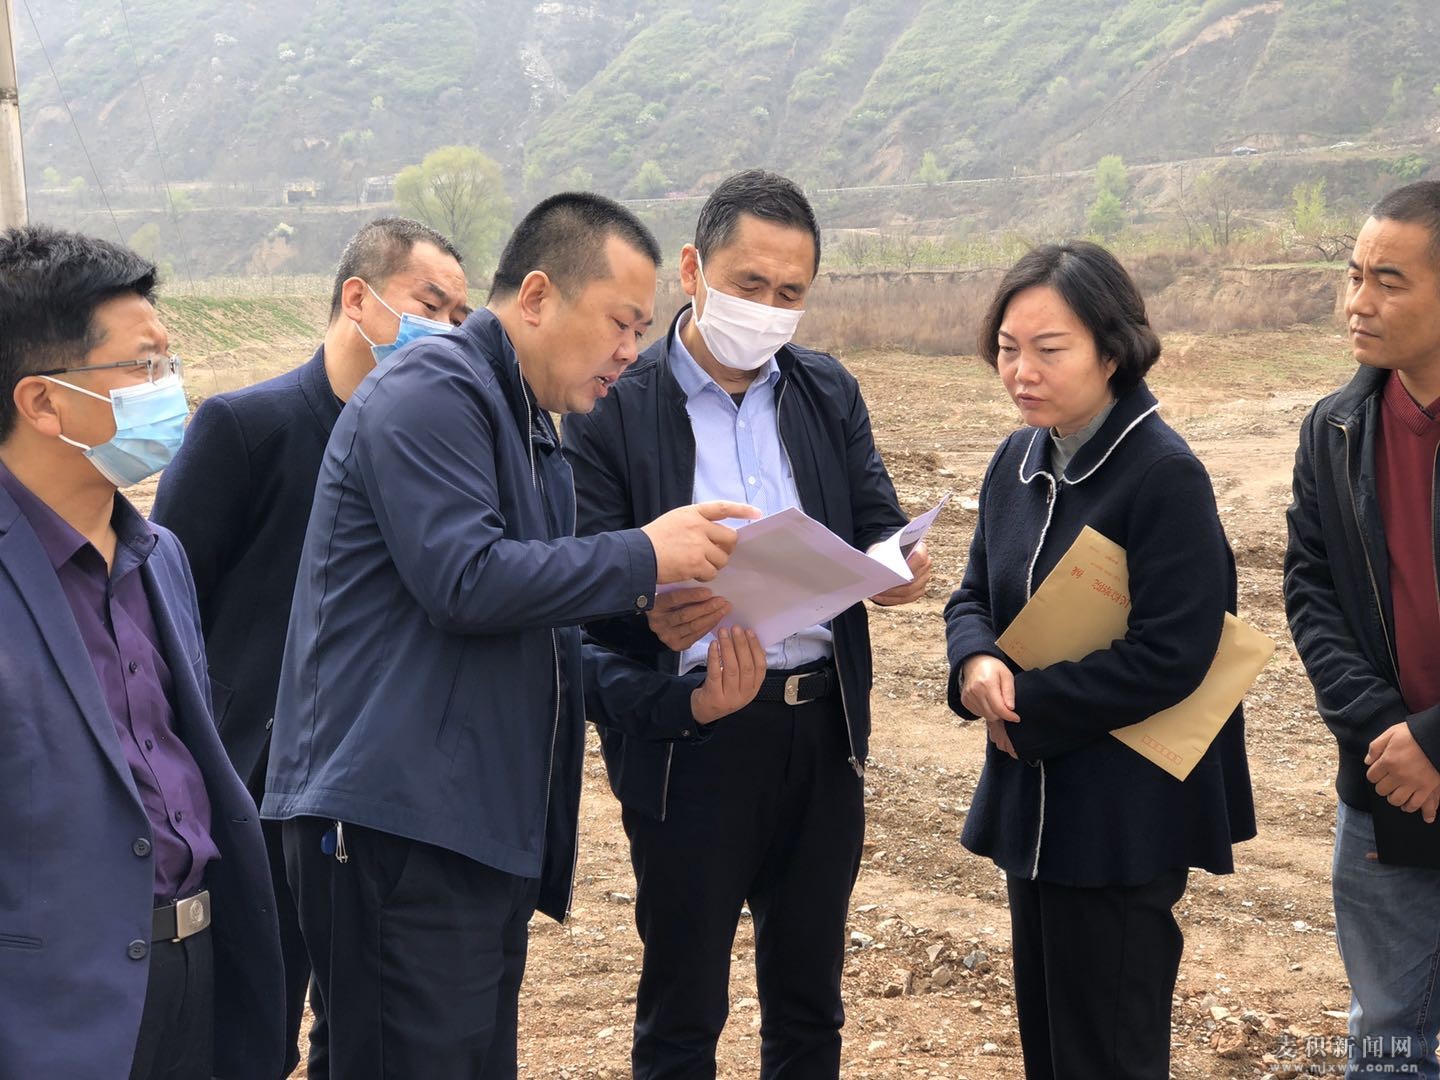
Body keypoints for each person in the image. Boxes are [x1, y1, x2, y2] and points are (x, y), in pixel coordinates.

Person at [261, 192, 767, 1079]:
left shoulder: (531, 430)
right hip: (398, 825)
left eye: (642, 330)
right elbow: (464, 580)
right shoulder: (433, 388)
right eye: (619, 322)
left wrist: (673, 688)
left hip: (471, 828)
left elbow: (537, 637)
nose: (630, 350)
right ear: (537, 296)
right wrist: (644, 553)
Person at [563, 169, 930, 1079]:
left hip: (821, 728)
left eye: (789, 293)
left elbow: (876, 520)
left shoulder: (825, 391)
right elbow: (580, 592)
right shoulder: (615, 406)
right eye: (749, 284)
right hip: (694, 737)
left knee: (809, 1005)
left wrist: (896, 567)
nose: (767, 310)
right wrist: (651, 611)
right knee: (683, 1008)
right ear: (693, 269)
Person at [151, 216, 469, 1076]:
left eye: (460, 317)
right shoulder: (245, 428)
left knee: (366, 1027)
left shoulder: (433, 452)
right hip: (254, 791)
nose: (446, 331)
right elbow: (165, 604)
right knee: (252, 1028)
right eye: (430, 305)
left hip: (379, 792)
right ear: (357, 299)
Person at [944, 241, 1254, 1080]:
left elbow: (1173, 654)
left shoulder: (1163, 475)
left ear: (1112, 351)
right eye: (1008, 348)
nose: (1022, 372)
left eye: (1050, 349)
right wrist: (975, 663)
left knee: (1109, 1052)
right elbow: (972, 594)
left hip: (1123, 815)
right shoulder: (1017, 459)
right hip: (1034, 804)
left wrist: (1029, 704)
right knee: (1049, 1048)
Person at [0, 225, 284, 1078]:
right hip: (53, 1011)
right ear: (42, 402)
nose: (172, 390)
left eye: (170, 363)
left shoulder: (160, 559)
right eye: (144, 367)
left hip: (193, 972)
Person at [1285, 181, 1440, 1078]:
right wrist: (1388, 735)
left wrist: (1435, 740)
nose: (1358, 303)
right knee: (1387, 1036)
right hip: (1388, 786)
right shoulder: (1336, 430)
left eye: (1389, 281)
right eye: (1354, 276)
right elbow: (1311, 591)